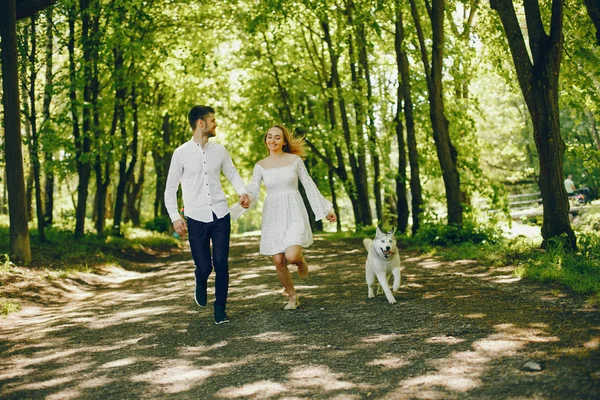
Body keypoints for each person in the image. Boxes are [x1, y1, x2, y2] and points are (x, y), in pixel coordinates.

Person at [231, 125, 337, 310]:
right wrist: (245, 199)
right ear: (266, 140)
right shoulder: (260, 166)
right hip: (273, 213)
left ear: (284, 141)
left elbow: (308, 184)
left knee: (292, 255)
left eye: (277, 137)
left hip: (294, 209)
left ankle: (300, 261)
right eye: (269, 137)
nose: (272, 141)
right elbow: (254, 189)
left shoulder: (295, 160)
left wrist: (325, 208)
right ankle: (292, 296)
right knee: (279, 260)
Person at [164, 105, 249, 325]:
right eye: (212, 120)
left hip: (220, 213)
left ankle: (220, 309)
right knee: (205, 266)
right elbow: (170, 188)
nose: (215, 124)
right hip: (196, 217)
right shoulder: (181, 153)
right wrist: (175, 216)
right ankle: (200, 279)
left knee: (221, 263)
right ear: (200, 123)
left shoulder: (219, 150)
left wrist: (243, 192)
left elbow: (232, 173)